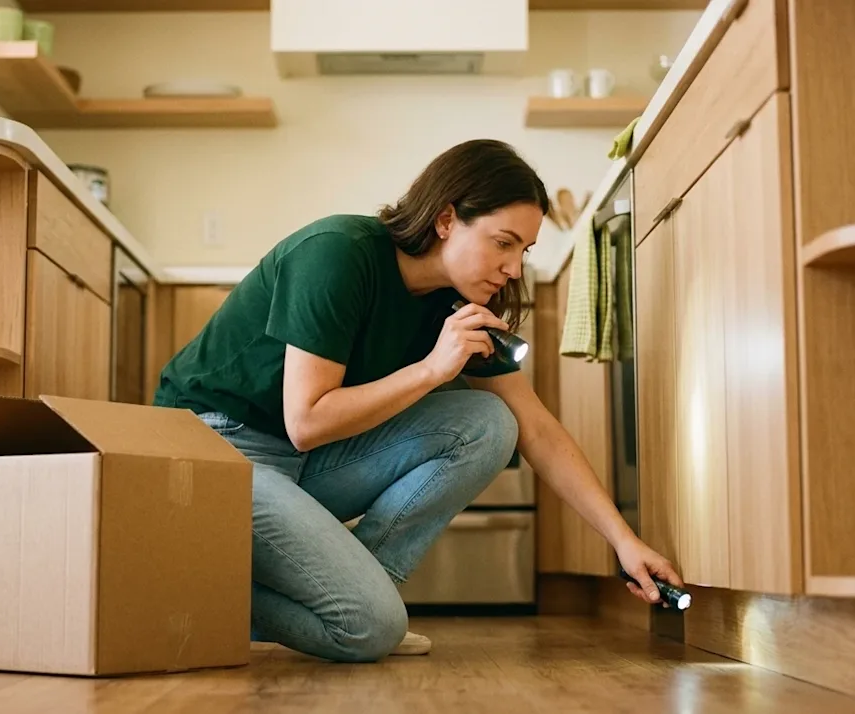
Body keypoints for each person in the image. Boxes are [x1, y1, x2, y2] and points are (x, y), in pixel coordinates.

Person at [153, 138, 683, 663]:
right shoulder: (338, 253)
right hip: (216, 456)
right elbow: (307, 422)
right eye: (503, 242)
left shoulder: (458, 303)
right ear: (447, 219)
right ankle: (248, 600)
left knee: (489, 421)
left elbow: (535, 428)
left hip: (298, 464)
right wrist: (432, 369)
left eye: (524, 250)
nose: (514, 269)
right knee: (370, 628)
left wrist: (623, 541)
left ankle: (362, 599)